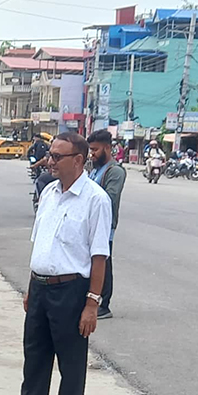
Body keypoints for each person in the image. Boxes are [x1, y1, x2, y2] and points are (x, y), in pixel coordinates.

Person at [0, 132, 111, 395]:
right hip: (41, 288)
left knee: (71, 367)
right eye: (50, 155)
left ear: (78, 159)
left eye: (58, 156)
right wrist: (31, 289)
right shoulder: (48, 193)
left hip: (71, 291)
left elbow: (99, 256)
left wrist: (91, 304)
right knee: (34, 363)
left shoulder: (95, 200)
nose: (50, 161)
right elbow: (41, 244)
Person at [86, 130, 126, 320]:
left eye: (95, 149)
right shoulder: (95, 169)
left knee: (104, 264)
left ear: (107, 148)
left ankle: (105, 304)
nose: (92, 153)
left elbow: (110, 198)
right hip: (91, 224)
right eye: (90, 149)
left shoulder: (115, 172)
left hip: (105, 225)